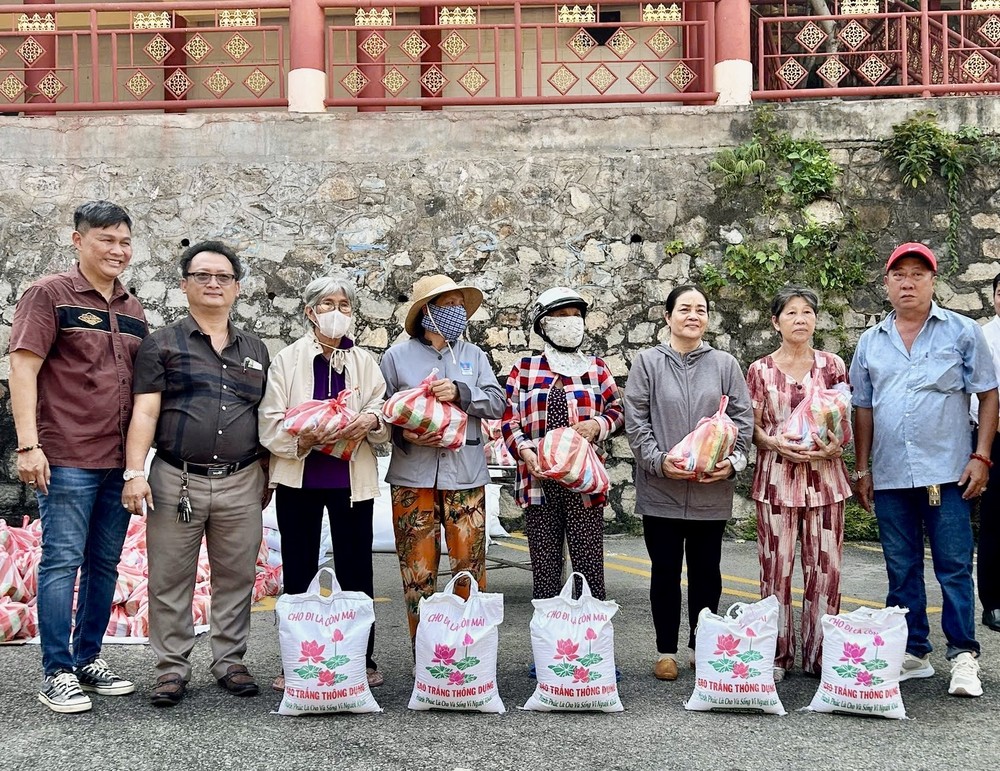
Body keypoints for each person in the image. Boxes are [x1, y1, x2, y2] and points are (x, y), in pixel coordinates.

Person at [9, 201, 146, 713]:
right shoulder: (48, 295)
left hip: (118, 460)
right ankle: (57, 671)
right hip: (65, 454)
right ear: (78, 240)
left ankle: (89, 657)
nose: (117, 250)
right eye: (106, 240)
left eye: (125, 242)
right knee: (62, 561)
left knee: (104, 562)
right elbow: (22, 369)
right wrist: (28, 445)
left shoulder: (133, 309)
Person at [121, 241, 271, 707]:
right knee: (169, 577)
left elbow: (266, 416)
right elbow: (145, 413)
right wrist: (133, 472)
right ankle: (171, 668)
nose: (213, 284)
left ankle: (230, 661)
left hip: (242, 478)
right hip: (174, 478)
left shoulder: (257, 349)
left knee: (237, 575)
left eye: (223, 277)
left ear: (237, 288)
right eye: (202, 275)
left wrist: (266, 473)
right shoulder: (161, 343)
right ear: (185, 284)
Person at [851, 242, 998, 698]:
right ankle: (914, 651)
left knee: (954, 567)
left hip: (949, 473)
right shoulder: (871, 341)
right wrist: (862, 470)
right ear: (887, 284)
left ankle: (964, 656)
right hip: (893, 474)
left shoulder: (962, 331)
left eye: (918, 274)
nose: (908, 282)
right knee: (901, 566)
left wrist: (982, 456)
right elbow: (862, 406)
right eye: (899, 275)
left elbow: (989, 393)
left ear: (933, 281)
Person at [258, 276, 390, 691]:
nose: (338, 312)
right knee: (298, 569)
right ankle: (295, 659)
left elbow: (379, 408)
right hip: (301, 477)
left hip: (351, 479)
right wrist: (303, 438)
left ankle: (361, 658)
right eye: (328, 304)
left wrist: (372, 419)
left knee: (356, 570)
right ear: (310, 312)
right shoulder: (287, 360)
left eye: (345, 305)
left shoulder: (364, 362)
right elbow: (269, 420)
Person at [624, 284, 753, 681]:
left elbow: (744, 423)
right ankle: (666, 651)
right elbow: (636, 422)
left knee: (706, 570)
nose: (693, 315)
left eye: (700, 309)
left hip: (710, 490)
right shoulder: (647, 363)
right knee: (664, 571)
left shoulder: (725, 364)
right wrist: (660, 463)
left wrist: (731, 465)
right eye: (684, 309)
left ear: (707, 318)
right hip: (661, 489)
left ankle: (702, 647)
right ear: (668, 317)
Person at [379, 274, 505, 644]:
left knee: (470, 567)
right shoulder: (395, 357)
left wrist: (461, 392)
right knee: (417, 572)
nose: (457, 312)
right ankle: (426, 657)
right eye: (447, 306)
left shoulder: (474, 356)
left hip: (465, 476)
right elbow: (381, 414)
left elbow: (498, 403)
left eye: (459, 306)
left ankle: (470, 654)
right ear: (426, 313)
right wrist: (408, 430)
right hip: (411, 477)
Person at [747, 286, 852, 682]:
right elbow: (752, 425)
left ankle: (822, 654)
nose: (800, 319)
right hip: (776, 480)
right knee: (775, 568)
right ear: (776, 322)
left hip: (825, 480)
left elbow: (842, 418)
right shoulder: (760, 370)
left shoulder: (832, 365)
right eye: (791, 312)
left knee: (825, 569)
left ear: (816, 320)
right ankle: (776, 654)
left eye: (807, 312)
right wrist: (772, 442)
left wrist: (833, 446)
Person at [502, 287, 623, 604]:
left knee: (588, 567)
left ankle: (589, 643)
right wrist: (526, 452)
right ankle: (548, 647)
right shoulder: (524, 369)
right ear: (542, 323)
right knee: (545, 570)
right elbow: (509, 419)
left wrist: (598, 425)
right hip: (538, 480)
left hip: (584, 483)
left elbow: (617, 412)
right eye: (561, 316)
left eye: (576, 315)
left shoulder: (596, 368)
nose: (571, 322)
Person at [974, 272, 1000, 633]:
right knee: (995, 523)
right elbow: (975, 396)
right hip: (995, 437)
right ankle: (993, 602)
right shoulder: (983, 336)